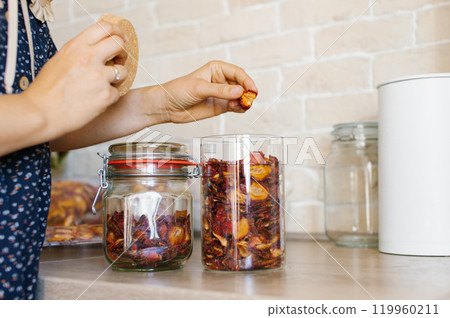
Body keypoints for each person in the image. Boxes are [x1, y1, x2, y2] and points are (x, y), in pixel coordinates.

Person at [0, 0, 257, 299]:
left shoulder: (30, 10)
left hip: (16, 270)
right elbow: (39, 114)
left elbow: (37, 130)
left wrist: (161, 104)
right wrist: (40, 106)